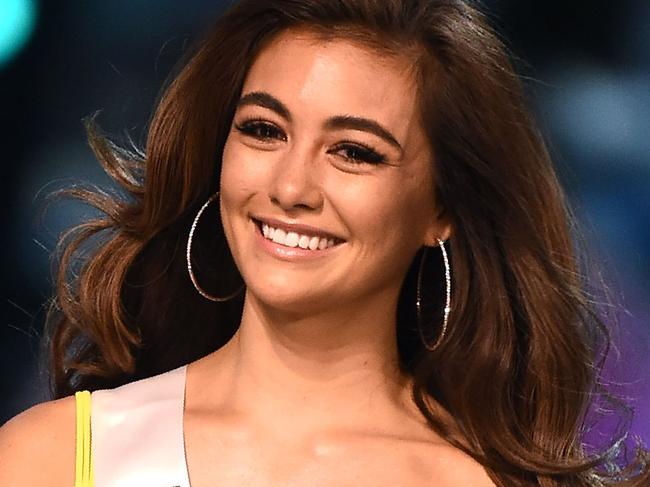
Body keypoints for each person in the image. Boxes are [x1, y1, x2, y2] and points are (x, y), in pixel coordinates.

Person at [1, 0, 648, 485]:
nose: (291, 185)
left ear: (443, 208)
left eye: (354, 151)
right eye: (263, 130)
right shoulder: (49, 458)